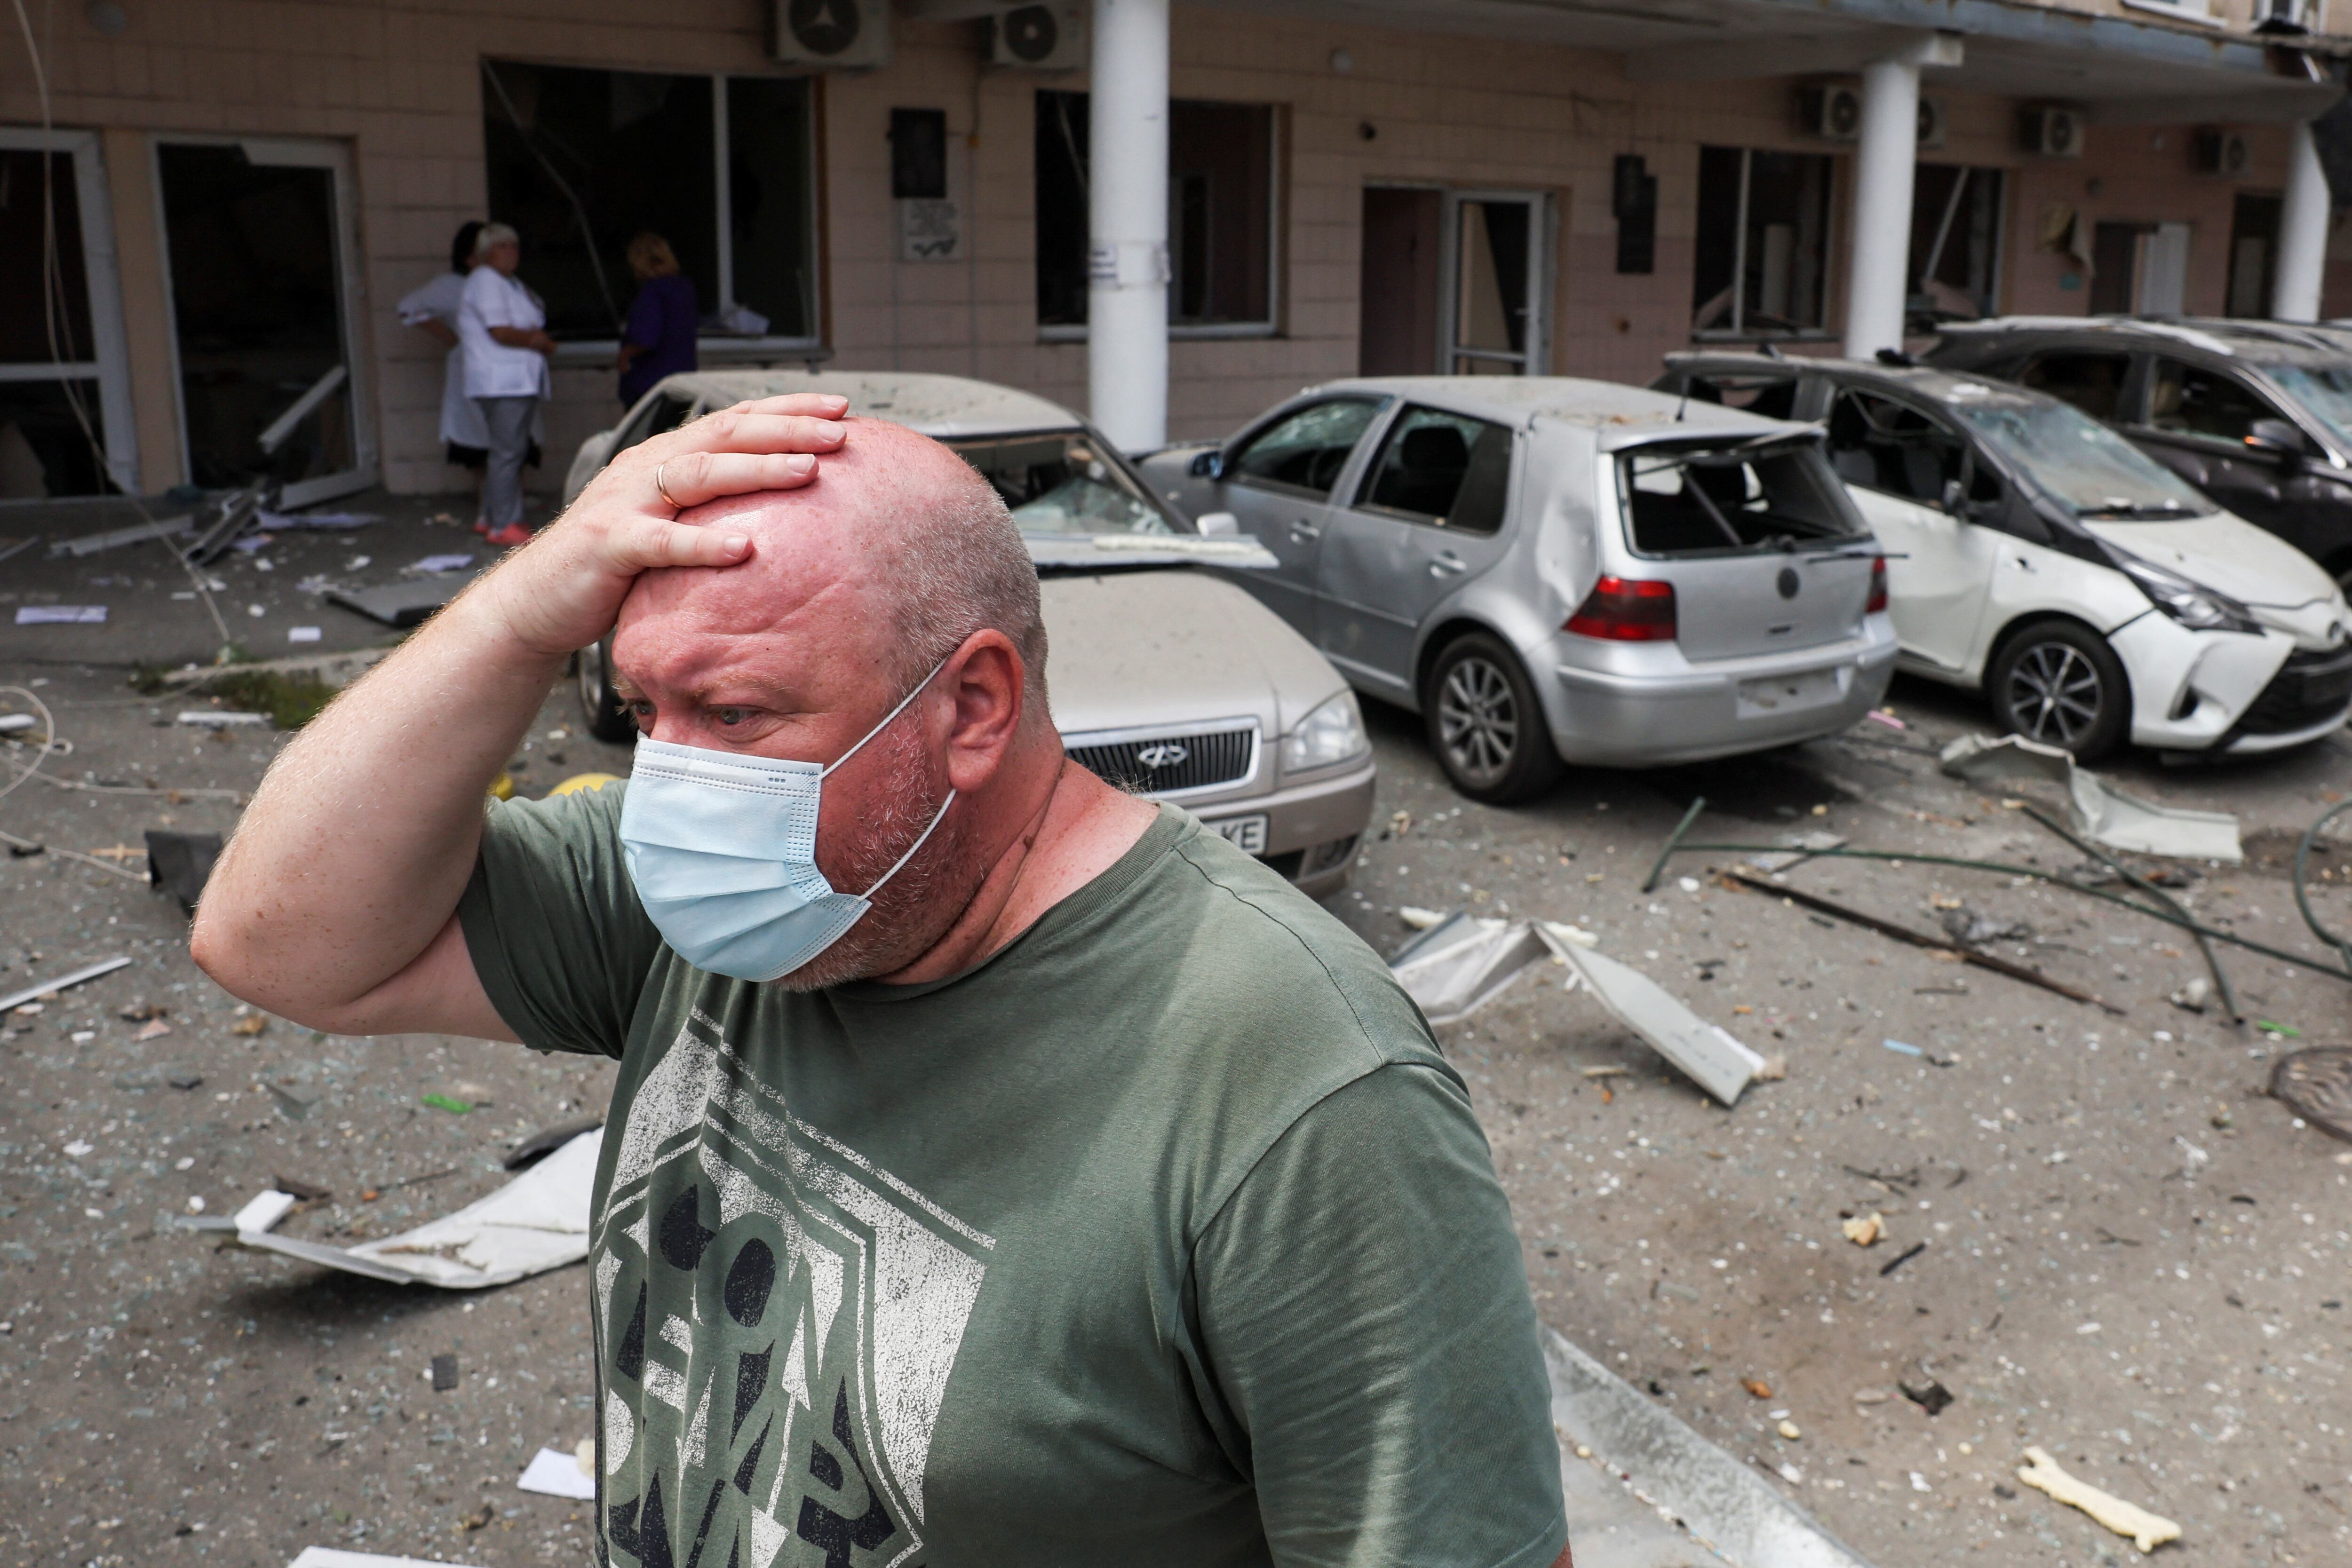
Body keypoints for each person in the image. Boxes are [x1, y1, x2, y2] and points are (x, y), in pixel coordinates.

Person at [190, 402, 1573, 1568]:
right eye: (642, 711)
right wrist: (522, 610)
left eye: (735, 715)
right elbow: (274, 939)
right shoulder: (703, 901)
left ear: (972, 707)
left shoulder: (1296, 1088)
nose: (671, 781)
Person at [458, 222, 555, 548]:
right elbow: (499, 330)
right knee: (508, 455)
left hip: (510, 381)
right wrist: (536, 340)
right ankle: (504, 523)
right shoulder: (486, 280)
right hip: (503, 382)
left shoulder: (505, 282)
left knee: (504, 452)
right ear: (485, 253)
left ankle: (490, 518)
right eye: (502, 246)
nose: (511, 252)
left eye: (514, 246)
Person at [396, 221, 494, 528]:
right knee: (481, 440)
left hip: (507, 375)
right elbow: (408, 308)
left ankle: (501, 509)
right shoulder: (452, 286)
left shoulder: (504, 284)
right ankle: (488, 509)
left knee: (510, 441)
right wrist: (449, 337)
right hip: (473, 372)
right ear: (469, 257)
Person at [617, 232, 698, 408]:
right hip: (684, 381)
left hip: (652, 386)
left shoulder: (653, 292)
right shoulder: (684, 288)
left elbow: (646, 337)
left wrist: (626, 355)